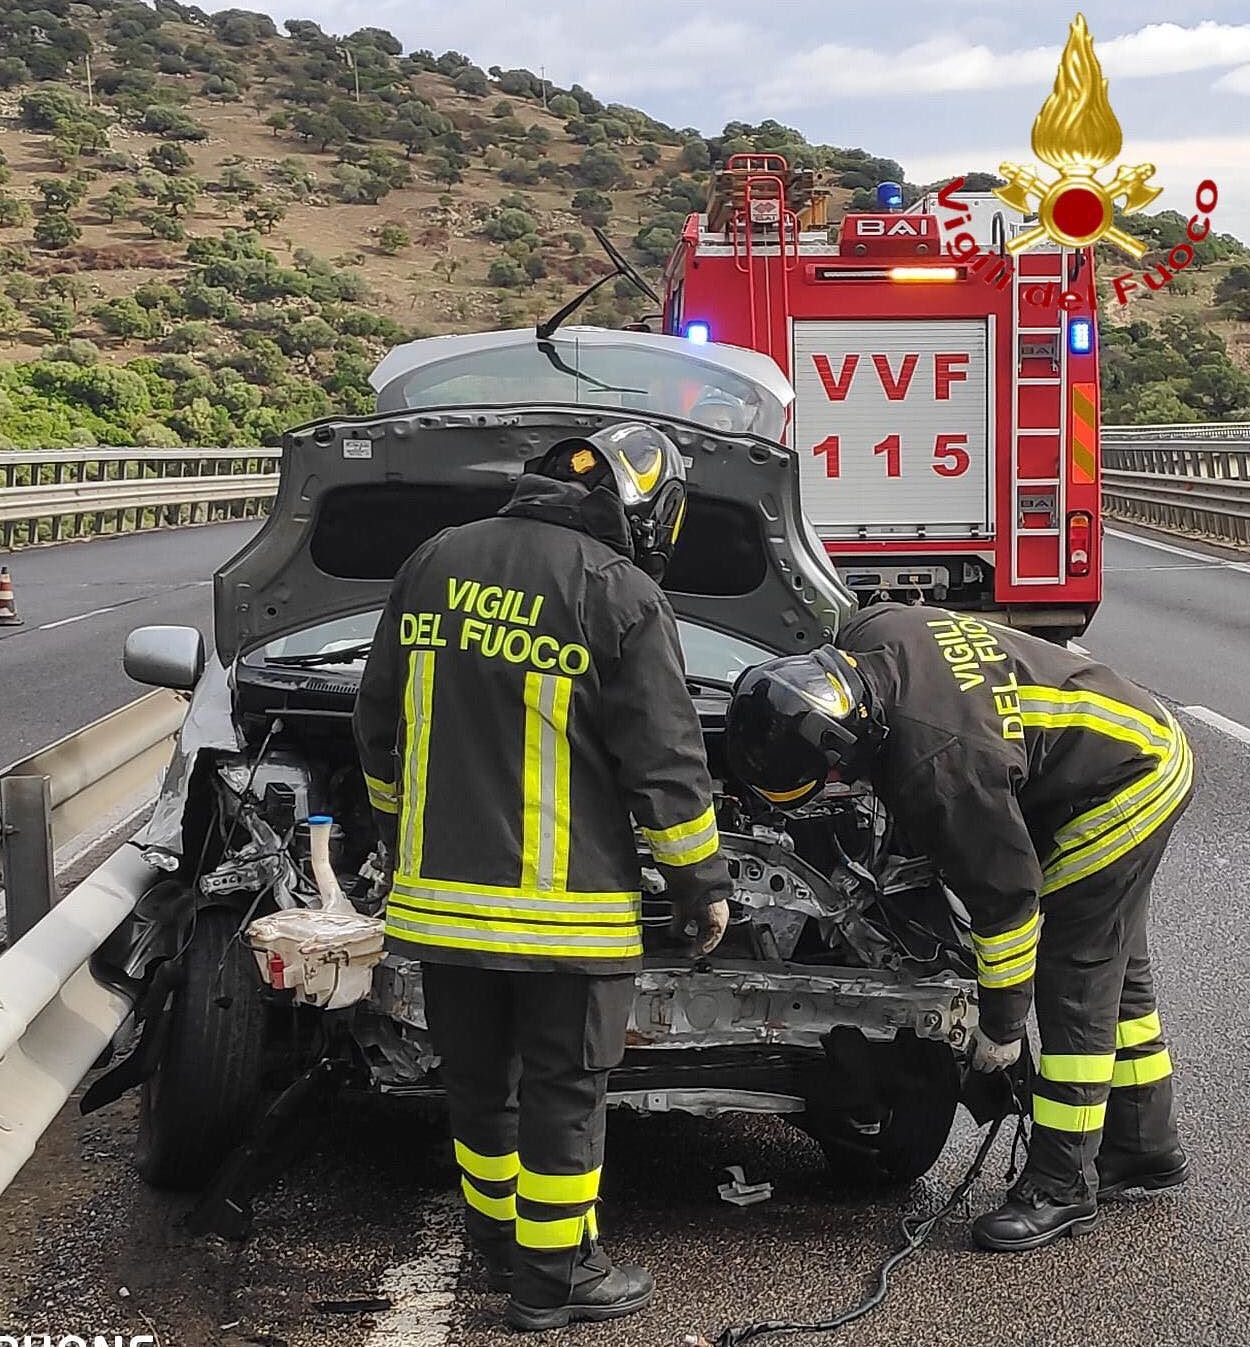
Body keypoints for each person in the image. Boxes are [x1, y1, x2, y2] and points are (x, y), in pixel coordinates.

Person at [353, 422, 731, 1330]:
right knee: (565, 1090)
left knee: (480, 1085)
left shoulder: (435, 560)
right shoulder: (618, 590)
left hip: (440, 909)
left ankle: (496, 1246)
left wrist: (402, 835)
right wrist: (698, 884)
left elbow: (376, 721)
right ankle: (557, 1275)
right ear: (646, 509)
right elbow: (665, 762)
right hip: (566, 914)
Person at [724, 601, 1192, 1252]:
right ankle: (1141, 1144)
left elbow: (1006, 908)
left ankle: (1061, 1187)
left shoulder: (940, 766)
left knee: (1073, 972)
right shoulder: (868, 633)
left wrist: (998, 1034)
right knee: (1117, 967)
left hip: (1129, 777)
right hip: (1114, 736)